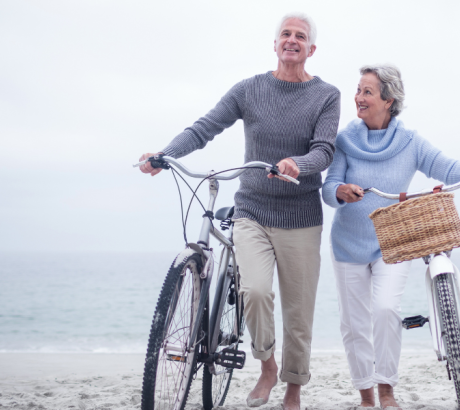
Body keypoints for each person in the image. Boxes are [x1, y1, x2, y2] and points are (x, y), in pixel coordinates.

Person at [138, 13, 340, 410]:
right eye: (286, 34)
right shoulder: (249, 89)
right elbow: (204, 127)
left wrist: (299, 164)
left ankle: (293, 388)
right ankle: (267, 366)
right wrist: (165, 154)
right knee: (255, 291)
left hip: (301, 216)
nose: (292, 40)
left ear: (311, 49)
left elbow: (324, 150)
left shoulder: (326, 95)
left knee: (298, 314)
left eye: (300, 36)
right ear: (275, 43)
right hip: (253, 210)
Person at [321, 65, 460, 409]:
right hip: (347, 243)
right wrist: (341, 191)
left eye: (367, 92)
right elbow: (329, 186)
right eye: (358, 90)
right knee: (354, 324)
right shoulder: (345, 140)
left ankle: (387, 390)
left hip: (392, 244)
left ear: (389, 100)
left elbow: (448, 169)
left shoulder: (409, 141)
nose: (358, 98)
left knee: (386, 309)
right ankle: (366, 396)